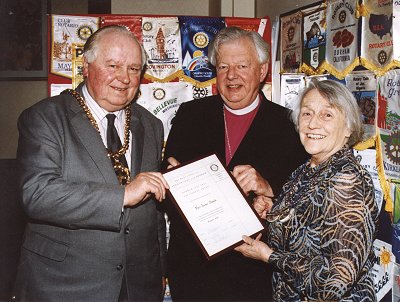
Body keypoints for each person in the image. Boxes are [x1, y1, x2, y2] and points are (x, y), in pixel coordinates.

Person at [14, 25, 169, 302]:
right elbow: (37, 194)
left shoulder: (151, 124)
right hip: (65, 285)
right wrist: (123, 195)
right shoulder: (45, 118)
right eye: (113, 65)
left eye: (134, 69)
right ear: (86, 67)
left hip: (138, 286)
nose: (124, 78)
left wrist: (160, 270)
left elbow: (153, 213)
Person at [162, 26, 308, 301]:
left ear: (262, 71)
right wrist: (171, 181)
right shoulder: (191, 115)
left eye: (242, 65)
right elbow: (164, 188)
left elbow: (304, 202)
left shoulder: (289, 126)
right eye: (223, 66)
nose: (231, 76)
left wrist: (269, 187)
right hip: (192, 271)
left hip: (254, 275)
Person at [235, 79, 379, 301]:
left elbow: (335, 282)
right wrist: (274, 211)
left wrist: (270, 256)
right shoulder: (307, 169)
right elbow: (308, 224)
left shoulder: (346, 180)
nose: (313, 124)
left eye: (327, 115)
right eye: (307, 113)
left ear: (349, 126)